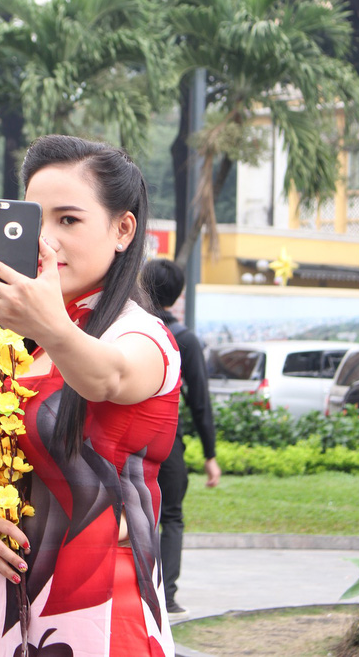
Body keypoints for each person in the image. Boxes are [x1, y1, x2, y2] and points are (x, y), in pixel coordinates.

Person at [0, 134, 182, 657]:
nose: (47, 241)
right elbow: (16, 458)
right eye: (35, 222)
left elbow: (106, 378)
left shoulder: (142, 336)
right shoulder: (32, 348)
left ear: (123, 229)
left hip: (97, 614)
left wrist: (47, 325)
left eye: (68, 220)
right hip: (11, 604)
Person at [141, 258, 221, 623]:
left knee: (132, 513)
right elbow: (199, 402)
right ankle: (166, 597)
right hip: (168, 442)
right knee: (170, 515)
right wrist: (210, 454)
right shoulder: (184, 339)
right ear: (177, 295)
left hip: (127, 439)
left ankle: (136, 589)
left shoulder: (131, 329)